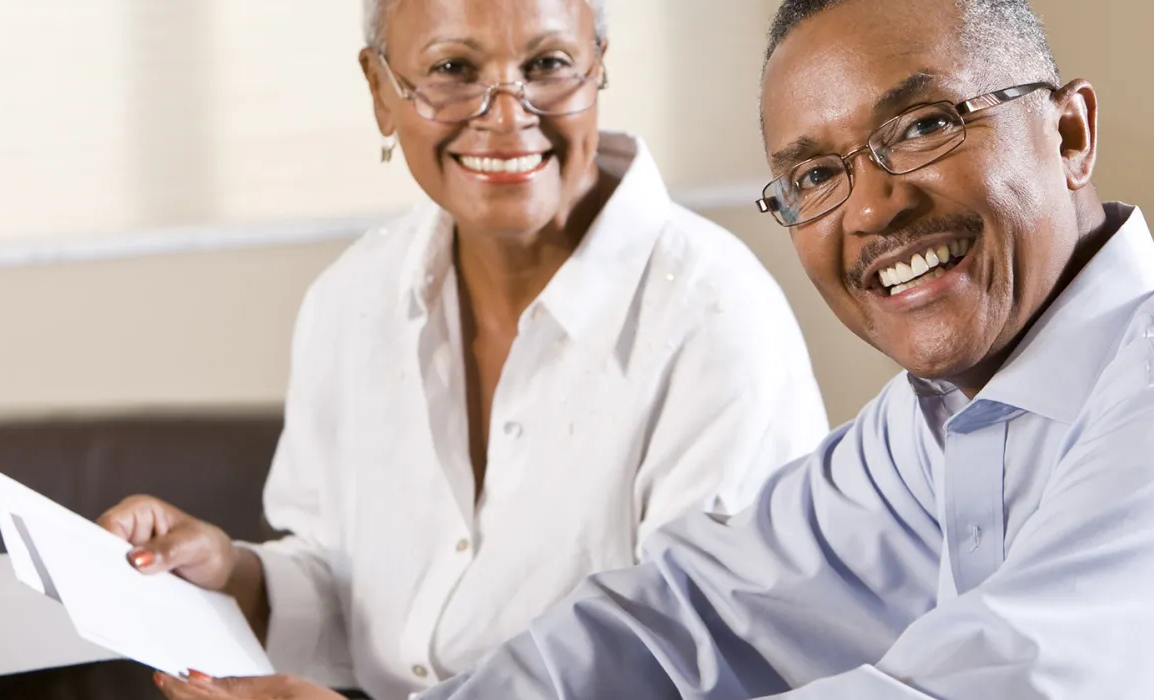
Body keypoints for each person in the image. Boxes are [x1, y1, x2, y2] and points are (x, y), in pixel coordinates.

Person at [163, 0, 1154, 698]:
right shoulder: (941, 419)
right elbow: (684, 614)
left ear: (1068, 134)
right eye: (818, 174)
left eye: (923, 127)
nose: (875, 207)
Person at [115, 0, 829, 698]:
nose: (508, 114)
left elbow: (708, 662)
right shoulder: (351, 299)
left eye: (548, 63)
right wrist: (237, 577)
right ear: (379, 90)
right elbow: (346, 582)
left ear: (598, 67)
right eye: (453, 67)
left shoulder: (716, 318)